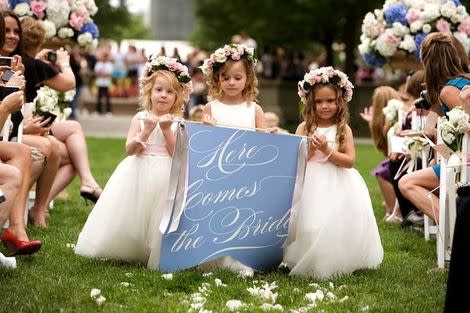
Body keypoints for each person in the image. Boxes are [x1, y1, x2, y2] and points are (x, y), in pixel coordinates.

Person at [75, 56, 192, 269]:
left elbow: (177, 154)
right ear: (149, 92)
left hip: (165, 172)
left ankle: (155, 251)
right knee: (134, 211)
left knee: (157, 213)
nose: (163, 95)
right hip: (139, 169)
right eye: (159, 90)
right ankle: (129, 247)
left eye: (169, 92)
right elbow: (130, 149)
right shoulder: (140, 118)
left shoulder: (178, 123)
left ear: (177, 96)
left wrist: (166, 130)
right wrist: (146, 130)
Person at [283, 66, 383, 279]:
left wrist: (327, 150)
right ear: (311, 103)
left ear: (340, 102)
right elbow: (295, 161)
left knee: (333, 223)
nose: (325, 106)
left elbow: (349, 161)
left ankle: (334, 261)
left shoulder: (343, 128)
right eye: (319, 102)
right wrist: (311, 148)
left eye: (330, 100)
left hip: (337, 182)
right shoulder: (304, 127)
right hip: (310, 182)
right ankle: (305, 258)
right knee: (309, 223)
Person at [19, 16, 101, 224]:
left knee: (73, 128)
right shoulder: (33, 64)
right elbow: (69, 83)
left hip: (25, 122)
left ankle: (86, 181)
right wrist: (65, 63)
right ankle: (41, 206)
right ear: (40, 41)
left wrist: (37, 57)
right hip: (21, 127)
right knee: (73, 154)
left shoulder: (25, 62)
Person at [199, 43, 266, 277]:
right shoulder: (210, 107)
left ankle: (242, 261)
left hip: (246, 173)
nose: (231, 82)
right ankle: (214, 259)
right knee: (219, 215)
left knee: (243, 216)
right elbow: (201, 145)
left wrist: (271, 136)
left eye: (237, 77)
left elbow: (264, 144)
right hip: (218, 173)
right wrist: (207, 130)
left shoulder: (253, 109)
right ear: (217, 79)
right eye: (225, 77)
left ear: (248, 78)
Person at [399, 33, 470, 223]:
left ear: (428, 62)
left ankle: (453, 227)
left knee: (406, 182)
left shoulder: (449, 90)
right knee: (429, 172)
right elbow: (450, 131)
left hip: (464, 162)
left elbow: (465, 128)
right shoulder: (458, 83)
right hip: (457, 158)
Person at [361, 86, 402, 222]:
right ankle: (391, 207)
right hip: (397, 157)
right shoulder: (386, 120)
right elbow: (385, 148)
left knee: (383, 171)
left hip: (402, 158)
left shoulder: (396, 118)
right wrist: (372, 123)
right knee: (383, 168)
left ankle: (393, 211)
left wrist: (376, 124)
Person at [93, 50, 113, 116]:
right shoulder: (98, 64)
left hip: (107, 83)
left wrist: (103, 74)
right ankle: (98, 111)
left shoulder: (109, 64)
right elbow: (96, 72)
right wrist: (102, 74)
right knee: (99, 97)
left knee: (107, 98)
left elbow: (110, 74)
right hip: (100, 83)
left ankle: (109, 111)